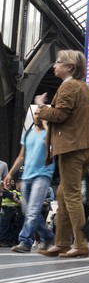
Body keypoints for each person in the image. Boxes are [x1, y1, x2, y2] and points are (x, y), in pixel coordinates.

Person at [35, 50, 89, 258]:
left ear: (70, 67)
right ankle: (61, 243)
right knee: (62, 194)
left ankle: (81, 244)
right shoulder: (83, 87)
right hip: (83, 146)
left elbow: (60, 115)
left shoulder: (69, 86)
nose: (54, 65)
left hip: (72, 147)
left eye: (59, 62)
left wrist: (41, 107)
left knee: (70, 195)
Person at [3, 108, 55, 253]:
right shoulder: (28, 134)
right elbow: (21, 156)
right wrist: (10, 174)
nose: (37, 116)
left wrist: (47, 125)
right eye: (36, 113)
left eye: (40, 113)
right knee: (28, 211)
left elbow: (51, 149)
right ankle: (48, 236)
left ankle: (25, 241)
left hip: (43, 175)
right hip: (27, 176)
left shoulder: (49, 133)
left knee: (32, 210)